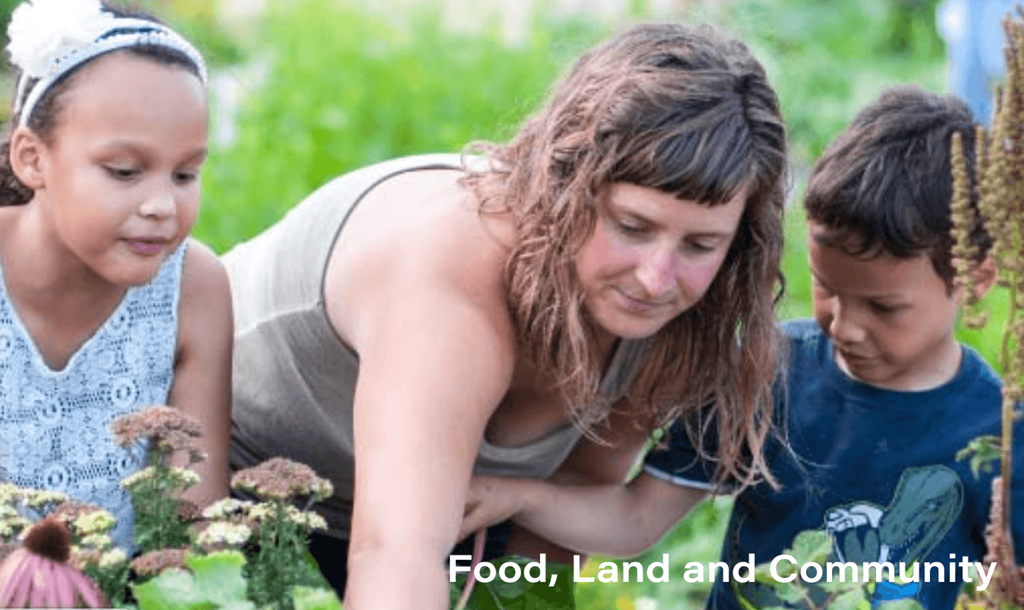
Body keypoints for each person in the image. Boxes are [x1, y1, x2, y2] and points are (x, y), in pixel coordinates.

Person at [223, 22, 788, 610]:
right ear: (566, 185)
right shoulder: (453, 270)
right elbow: (396, 552)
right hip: (212, 497)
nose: (654, 277)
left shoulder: (671, 313)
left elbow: (559, 521)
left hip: (439, 532)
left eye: (700, 245)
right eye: (632, 227)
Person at [461, 86, 1024, 610]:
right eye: (827, 288)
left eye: (883, 308)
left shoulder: (999, 439)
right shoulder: (769, 374)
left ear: (976, 279)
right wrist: (519, 497)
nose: (844, 326)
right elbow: (637, 520)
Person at [0, 0, 232, 549]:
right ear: (32, 158)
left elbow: (200, 519)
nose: (161, 205)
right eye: (124, 171)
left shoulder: (195, 287)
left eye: (185, 174)